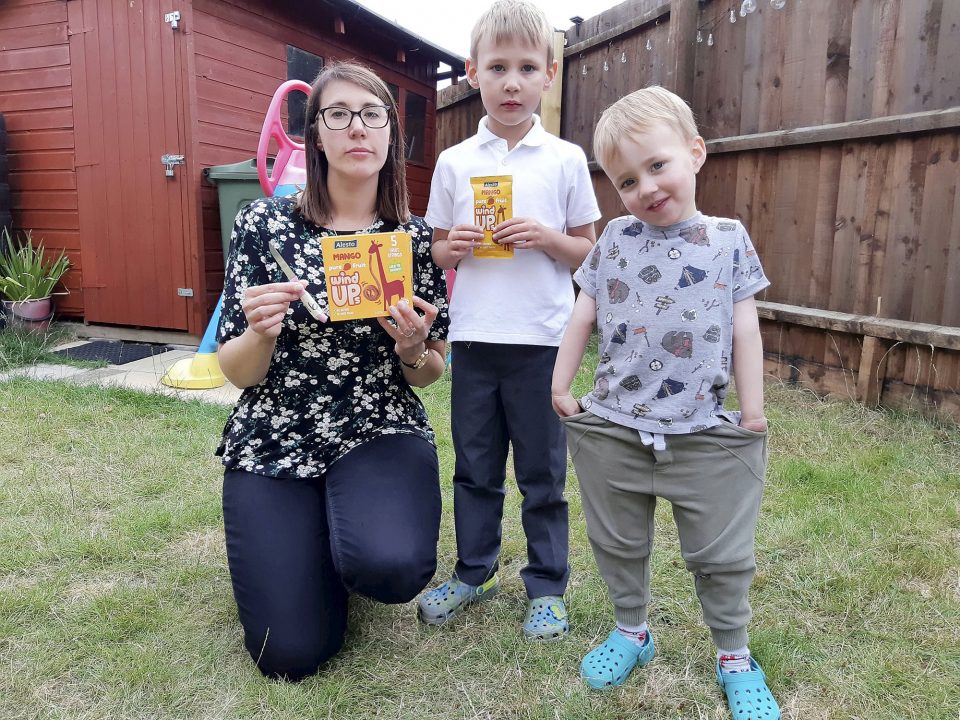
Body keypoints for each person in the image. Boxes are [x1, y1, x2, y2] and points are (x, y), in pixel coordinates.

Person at [215, 61, 449, 681]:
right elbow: (237, 371)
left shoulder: (412, 240)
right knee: (290, 654)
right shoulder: (265, 227)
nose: (356, 128)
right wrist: (260, 330)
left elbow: (429, 371)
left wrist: (412, 347)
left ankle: (350, 533)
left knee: (393, 566)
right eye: (338, 114)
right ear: (315, 134)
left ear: (391, 134)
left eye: (372, 114)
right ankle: (306, 539)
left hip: (378, 422)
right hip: (276, 430)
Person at [551, 86, 780, 718]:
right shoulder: (616, 241)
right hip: (615, 426)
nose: (645, 188)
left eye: (657, 166)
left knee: (722, 554)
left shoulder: (729, 240)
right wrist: (560, 385)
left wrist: (752, 408)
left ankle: (734, 654)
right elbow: (582, 315)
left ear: (695, 153)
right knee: (617, 540)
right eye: (626, 180)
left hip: (704, 429)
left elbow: (745, 329)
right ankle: (632, 630)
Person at [418, 0, 600, 641]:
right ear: (473, 73)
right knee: (474, 464)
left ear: (549, 74)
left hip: (542, 343)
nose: (512, 82)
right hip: (473, 339)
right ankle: (474, 572)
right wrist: (454, 246)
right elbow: (436, 249)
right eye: (498, 68)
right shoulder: (455, 162)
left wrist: (548, 237)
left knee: (543, 474)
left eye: (527, 67)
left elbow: (589, 251)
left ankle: (548, 584)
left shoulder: (566, 159)